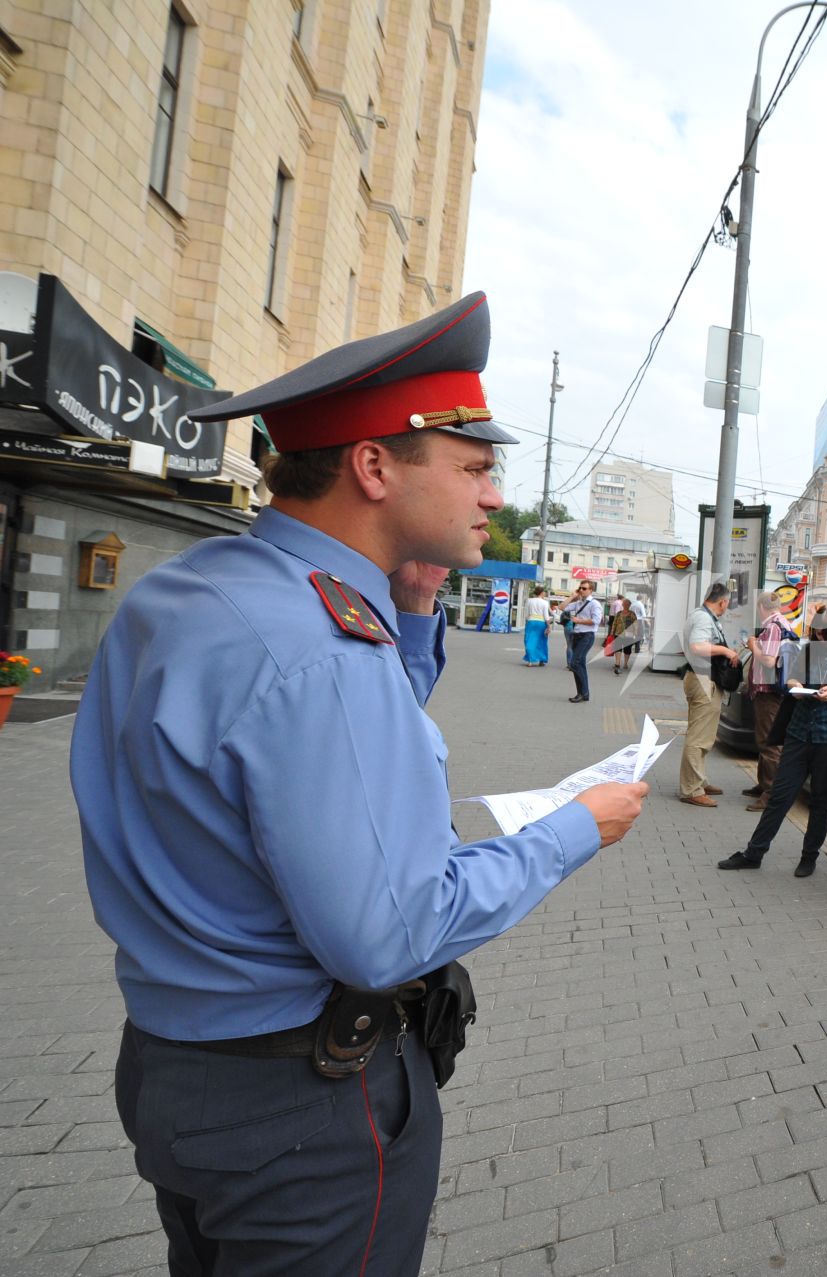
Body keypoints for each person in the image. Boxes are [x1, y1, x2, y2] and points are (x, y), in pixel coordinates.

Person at [70, 291, 651, 1275]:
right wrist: (572, 828)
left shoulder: (203, 586)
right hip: (302, 1110)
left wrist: (413, 603)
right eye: (472, 466)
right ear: (374, 466)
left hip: (179, 1066)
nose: (493, 495)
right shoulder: (323, 653)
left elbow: (327, 745)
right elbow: (387, 931)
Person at [721, 602, 827, 876]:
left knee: (821, 801)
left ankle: (809, 857)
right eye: (817, 633)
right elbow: (791, 679)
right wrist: (796, 687)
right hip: (799, 733)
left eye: (825, 633)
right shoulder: (809, 650)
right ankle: (754, 853)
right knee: (780, 795)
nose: (820, 637)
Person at [679, 581, 737, 807]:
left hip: (701, 678)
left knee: (703, 735)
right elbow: (697, 646)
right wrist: (725, 650)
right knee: (698, 737)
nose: (726, 607)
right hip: (703, 680)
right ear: (723, 601)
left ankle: (699, 780)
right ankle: (692, 789)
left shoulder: (699, 615)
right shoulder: (704, 618)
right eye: (726, 604)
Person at [744, 591, 795, 809]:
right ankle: (763, 783)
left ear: (761, 607)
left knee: (769, 741)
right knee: (766, 738)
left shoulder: (773, 627)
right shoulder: (783, 623)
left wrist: (753, 645)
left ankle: (771, 792)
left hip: (768, 692)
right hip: (773, 691)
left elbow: (768, 660)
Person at [558, 582, 603, 703]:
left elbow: (596, 621)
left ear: (591, 590)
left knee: (574, 663)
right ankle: (582, 693)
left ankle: (583, 693)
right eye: (580, 588)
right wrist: (572, 596)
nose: (581, 590)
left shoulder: (595, 604)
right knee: (580, 664)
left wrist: (579, 621)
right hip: (577, 635)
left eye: (584, 588)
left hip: (587, 636)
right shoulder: (578, 603)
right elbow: (561, 607)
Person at [607, 596, 639, 675]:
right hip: (618, 633)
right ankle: (617, 664)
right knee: (618, 648)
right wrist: (612, 632)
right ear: (623, 605)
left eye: (627, 604)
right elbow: (614, 623)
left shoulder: (632, 614)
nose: (626, 605)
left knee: (627, 649)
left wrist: (635, 633)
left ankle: (625, 663)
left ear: (629, 605)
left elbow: (635, 624)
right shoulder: (619, 613)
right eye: (624, 604)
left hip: (629, 634)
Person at [522, 586, 552, 666]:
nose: (545, 593)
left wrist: (527, 623)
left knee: (529, 640)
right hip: (541, 623)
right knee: (541, 641)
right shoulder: (545, 602)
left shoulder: (529, 601)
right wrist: (549, 626)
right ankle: (541, 660)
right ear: (542, 593)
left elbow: (526, 614)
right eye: (544, 592)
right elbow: (546, 616)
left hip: (531, 622)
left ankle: (530, 661)